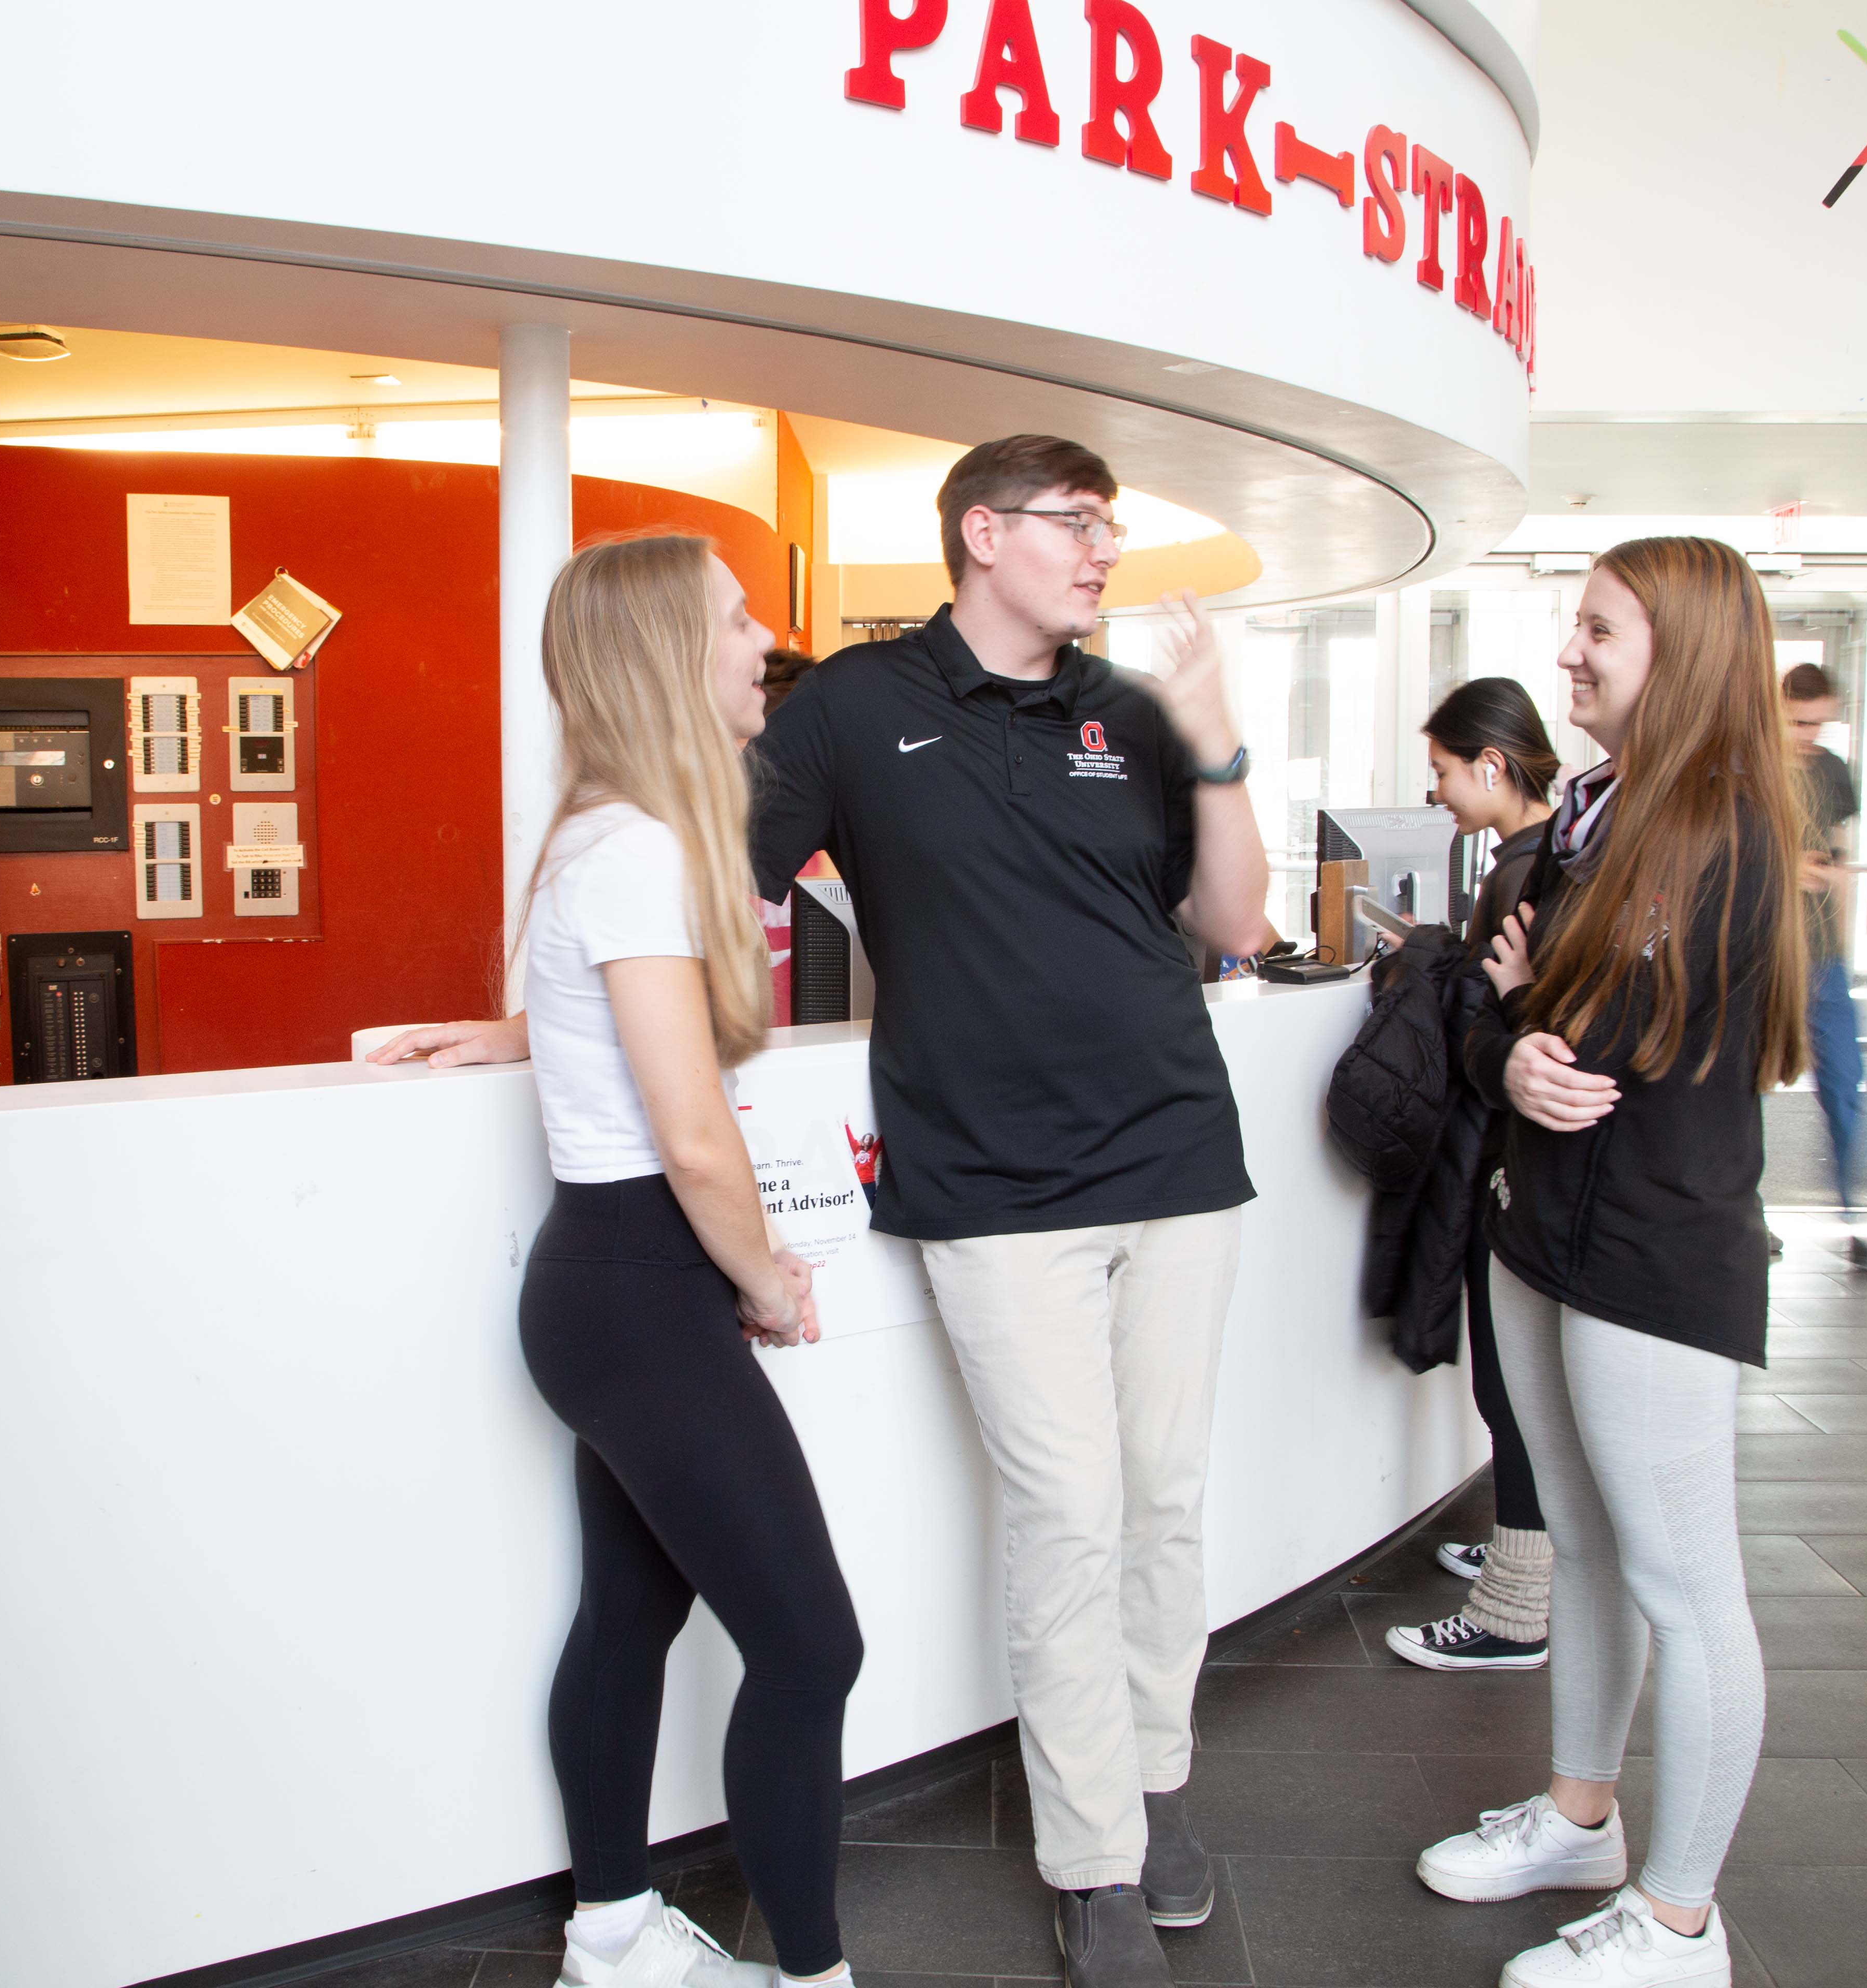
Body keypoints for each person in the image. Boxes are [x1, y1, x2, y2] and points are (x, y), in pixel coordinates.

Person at [375, 435, 1273, 1988]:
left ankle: (1155, 1781)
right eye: (1080, 522)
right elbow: (677, 909)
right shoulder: (853, 711)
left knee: (1169, 1501)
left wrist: (1217, 743)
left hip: (1182, 1155)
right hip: (992, 1183)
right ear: (983, 533)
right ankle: (1096, 1854)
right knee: (1068, 1514)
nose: (1108, 549)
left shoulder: (1127, 711)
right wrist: (532, 1021)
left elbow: (1239, 921)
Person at [1419, 538, 1804, 1988]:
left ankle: (1679, 1919)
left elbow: (1604, 1033)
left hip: (1653, 1250)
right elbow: (1494, 1015)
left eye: (1600, 634)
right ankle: (1583, 1818)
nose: (1568, 656)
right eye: (1575, 627)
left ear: (1684, 656)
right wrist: (1507, 1029)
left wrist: (1529, 1012)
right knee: (1581, 1548)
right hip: (1544, 1233)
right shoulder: (1589, 816)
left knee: (1685, 1586)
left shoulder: (1722, 836)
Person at [508, 534, 862, 1988]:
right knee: (811, 1651)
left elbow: (604, 1050)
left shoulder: (606, 838)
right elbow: (694, 1139)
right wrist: (769, 1280)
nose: (763, 636)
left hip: (611, 1290)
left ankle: (611, 1932)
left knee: (632, 1613)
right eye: (733, 618)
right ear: (667, 657)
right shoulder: (642, 850)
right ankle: (815, 1979)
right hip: (638, 1293)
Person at [1382, 679, 1562, 1676]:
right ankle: (1519, 1557)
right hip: (1517, 1164)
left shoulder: (1527, 873)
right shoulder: (1538, 857)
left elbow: (1508, 1028)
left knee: (1513, 1384)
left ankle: (1515, 1610)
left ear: (1491, 765)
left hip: (1511, 1167)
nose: (1439, 792)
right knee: (1514, 1380)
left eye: (1447, 772)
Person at [1781, 663, 1867, 1245]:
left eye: (1819, 724)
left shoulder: (1833, 771)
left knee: (1844, 1083)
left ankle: (1855, 1214)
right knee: (1737, 1091)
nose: (1809, 735)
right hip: (1766, 956)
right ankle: (1743, 1214)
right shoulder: (1746, 767)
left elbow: (1840, 856)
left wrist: (1841, 944)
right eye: (1798, 723)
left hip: (1821, 958)